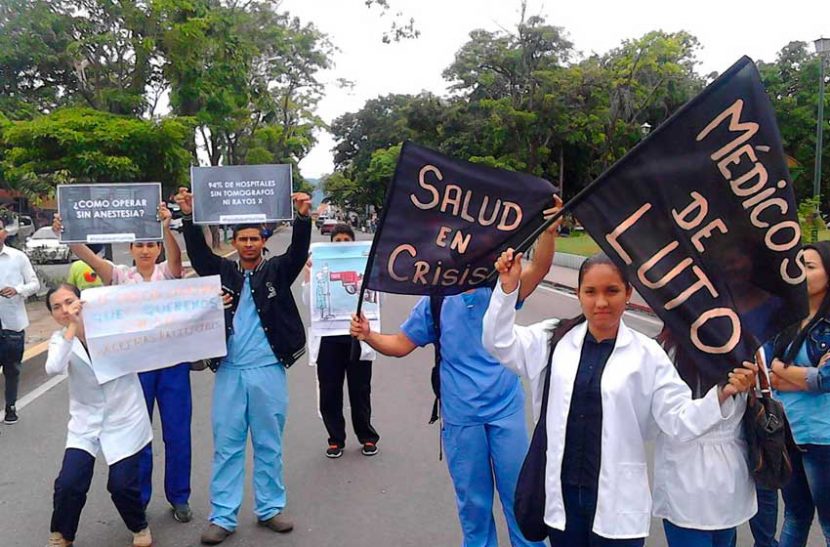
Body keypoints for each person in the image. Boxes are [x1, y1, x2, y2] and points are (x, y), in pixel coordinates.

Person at [481, 250, 756, 546]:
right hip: (563, 497)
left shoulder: (647, 354)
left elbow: (678, 420)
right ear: (579, 294)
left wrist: (722, 395)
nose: (601, 302)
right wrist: (507, 289)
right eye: (591, 292)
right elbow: (498, 342)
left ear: (628, 293)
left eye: (611, 291)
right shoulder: (554, 338)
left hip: (617, 502)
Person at [349, 197, 562, 547]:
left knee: (520, 498)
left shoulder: (501, 288)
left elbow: (538, 269)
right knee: (473, 505)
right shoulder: (435, 299)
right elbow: (402, 344)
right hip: (462, 417)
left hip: (505, 408)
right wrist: (369, 335)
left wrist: (549, 232)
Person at [175, 189, 311, 545]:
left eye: (254, 238)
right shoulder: (222, 271)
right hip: (230, 372)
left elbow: (298, 251)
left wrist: (303, 216)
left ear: (263, 241)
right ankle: (222, 515)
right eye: (242, 238)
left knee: (269, 443)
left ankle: (269, 509)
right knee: (228, 445)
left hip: (268, 370)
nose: (249, 243)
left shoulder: (278, 270)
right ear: (234, 242)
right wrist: (188, 216)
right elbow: (200, 254)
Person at [53, 203, 193, 523]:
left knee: (177, 433)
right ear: (130, 248)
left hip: (172, 365)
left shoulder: (168, 273)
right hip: (133, 366)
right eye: (140, 245)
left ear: (158, 248)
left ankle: (179, 497)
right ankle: (138, 498)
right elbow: (87, 256)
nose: (145, 250)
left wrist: (168, 228)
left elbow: (175, 259)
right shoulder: (119, 275)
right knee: (138, 436)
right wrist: (67, 233)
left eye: (151, 244)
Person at [44, 283, 153, 547]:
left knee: (121, 485)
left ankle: (139, 527)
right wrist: (72, 327)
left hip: (125, 418)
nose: (64, 310)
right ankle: (63, 533)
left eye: (69, 302)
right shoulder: (61, 340)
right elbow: (53, 367)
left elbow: (151, 333)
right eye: (56, 307)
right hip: (86, 422)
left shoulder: (112, 330)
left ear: (82, 302)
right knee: (69, 483)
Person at [652, 327, 756, 547]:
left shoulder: (745, 347)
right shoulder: (664, 353)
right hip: (687, 483)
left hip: (728, 480)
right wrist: (721, 394)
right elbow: (675, 422)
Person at [766, 241, 830, 547]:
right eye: (799, 265)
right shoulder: (785, 319)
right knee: (794, 515)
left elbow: (825, 380)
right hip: (787, 432)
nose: (801, 272)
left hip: (824, 438)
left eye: (810, 266)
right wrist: (802, 377)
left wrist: (782, 371)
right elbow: (763, 372)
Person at [303, 223, 379, 458]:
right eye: (338, 241)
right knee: (329, 390)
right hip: (328, 337)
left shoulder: (365, 268)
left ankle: (366, 436)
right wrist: (309, 277)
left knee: (360, 389)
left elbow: (377, 304)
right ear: (331, 243)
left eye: (347, 240)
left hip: (357, 335)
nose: (343, 244)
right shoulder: (318, 267)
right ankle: (335, 438)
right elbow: (309, 302)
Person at [0, 217, 39, 425]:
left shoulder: (18, 257)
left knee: (12, 368)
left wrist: (17, 290)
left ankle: (11, 406)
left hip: (12, 323)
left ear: (4, 232)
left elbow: (34, 284)